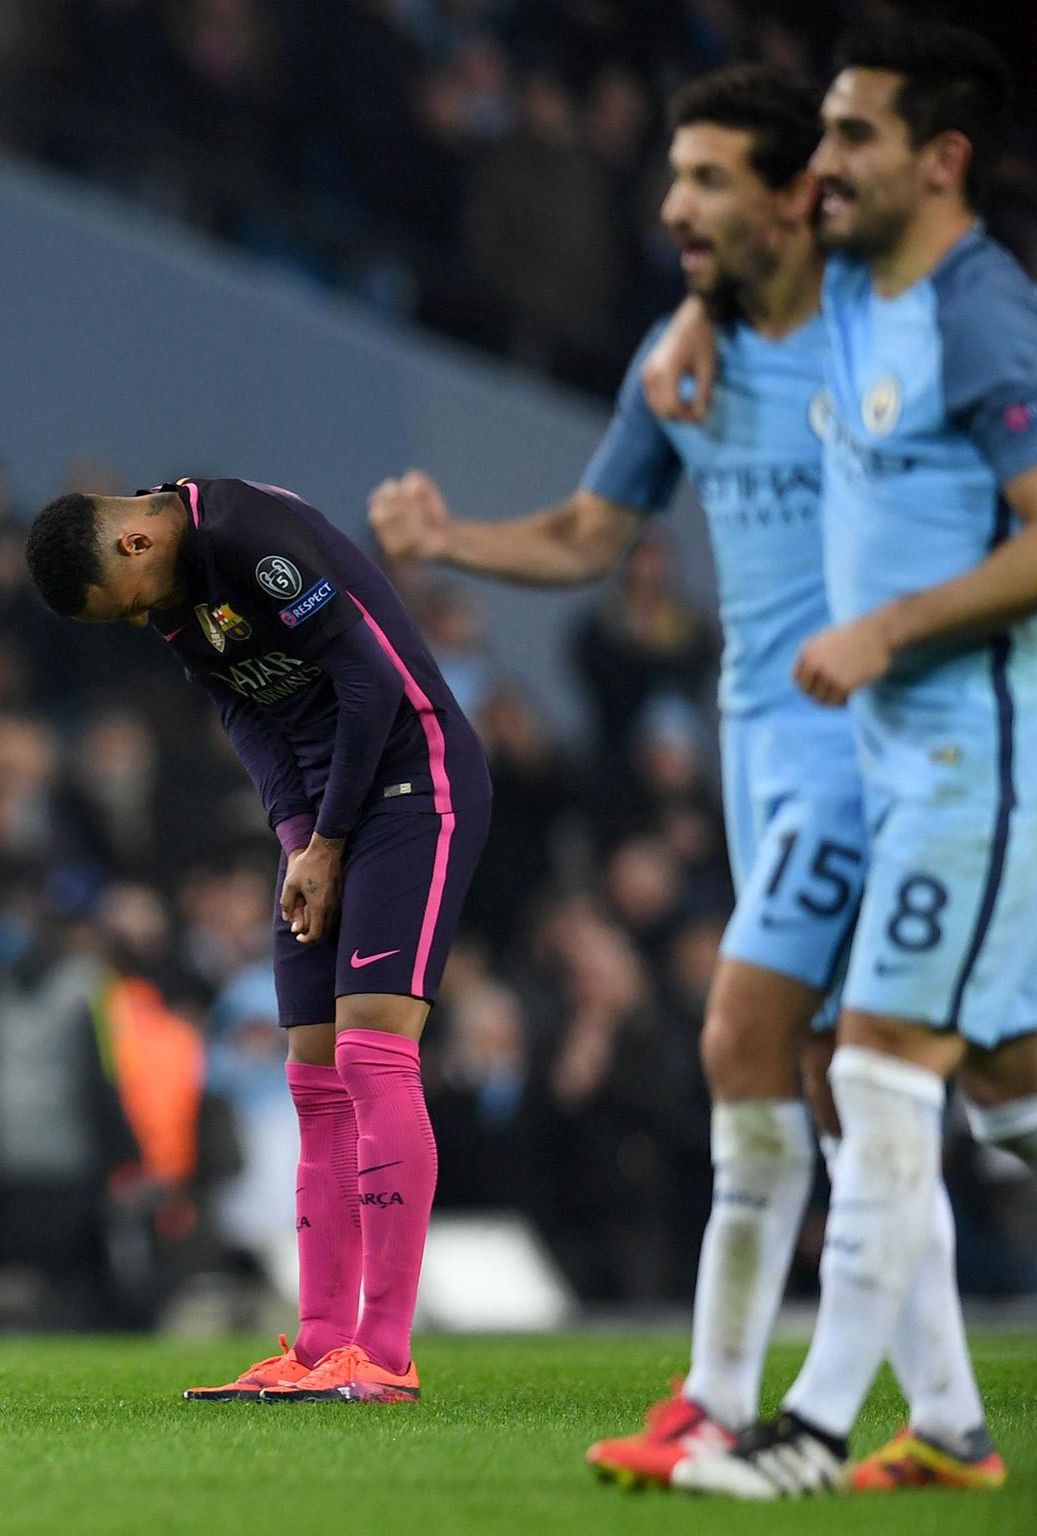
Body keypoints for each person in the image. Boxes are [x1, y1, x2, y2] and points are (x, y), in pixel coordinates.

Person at [372, 63, 982, 1490]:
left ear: (793, 195)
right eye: (675, 175)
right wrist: (452, 535)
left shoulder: (894, 333)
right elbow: (593, 531)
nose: (674, 206)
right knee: (852, 1082)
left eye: (710, 179)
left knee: (755, 1047)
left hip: (871, 746)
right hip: (758, 745)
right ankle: (948, 1421)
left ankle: (721, 1397)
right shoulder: (680, 356)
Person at [639, 20, 1037, 1497]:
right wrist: (703, 314)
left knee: (867, 1072)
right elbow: (764, 270)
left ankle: (798, 1431)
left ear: (941, 160)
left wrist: (891, 631)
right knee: (1003, 1095)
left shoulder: (979, 318)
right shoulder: (874, 291)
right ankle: (943, 1429)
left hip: (965, 759)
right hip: (892, 762)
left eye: (852, 139)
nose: (823, 166)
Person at [25, 477, 489, 1403]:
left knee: (371, 1056)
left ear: (132, 547)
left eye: (119, 608)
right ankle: (320, 1347)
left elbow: (370, 684)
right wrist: (297, 845)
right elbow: (245, 712)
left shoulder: (247, 535)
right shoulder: (176, 602)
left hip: (412, 782)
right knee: (314, 1079)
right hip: (324, 821)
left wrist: (330, 839)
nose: (132, 623)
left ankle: (385, 1357)